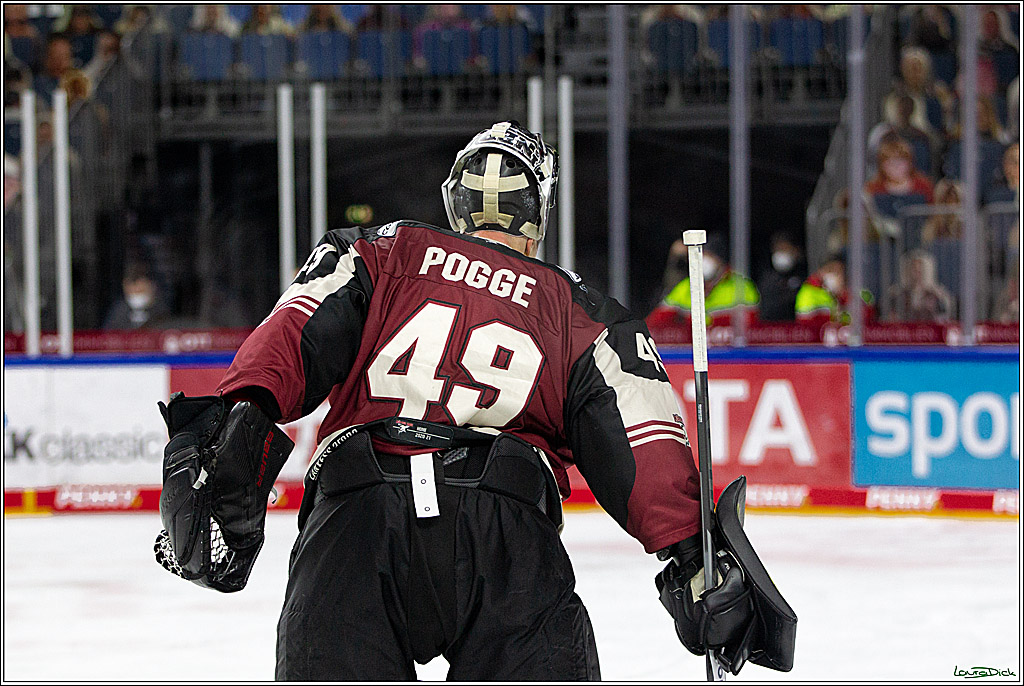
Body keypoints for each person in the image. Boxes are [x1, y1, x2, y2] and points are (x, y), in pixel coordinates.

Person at [154, 122, 782, 680]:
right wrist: (693, 556)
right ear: (539, 211)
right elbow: (642, 436)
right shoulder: (580, 309)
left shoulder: (379, 250)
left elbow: (295, 329)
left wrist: (241, 414)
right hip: (504, 526)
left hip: (357, 515)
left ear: (455, 203)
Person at [653, 231, 760, 327]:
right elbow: (657, 321)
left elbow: (752, 325)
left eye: (710, 256)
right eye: (703, 255)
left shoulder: (741, 287)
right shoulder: (685, 286)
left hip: (729, 343)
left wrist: (716, 325)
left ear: (721, 261)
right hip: (693, 343)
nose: (705, 260)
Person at [795, 254, 875, 326]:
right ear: (820, 273)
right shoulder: (808, 293)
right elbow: (806, 323)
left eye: (838, 271)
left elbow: (868, 320)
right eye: (830, 270)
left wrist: (844, 296)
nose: (835, 274)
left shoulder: (861, 293)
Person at [883, 249, 955, 322]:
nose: (917, 274)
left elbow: (944, 317)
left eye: (920, 270)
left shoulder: (938, 295)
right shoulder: (897, 294)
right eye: (913, 270)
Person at [103, 262, 171, 330]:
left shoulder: (162, 313)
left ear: (152, 287)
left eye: (141, 291)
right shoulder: (119, 313)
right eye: (132, 293)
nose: (136, 297)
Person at [756, 232, 806, 321]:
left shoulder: (805, 275)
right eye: (778, 250)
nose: (780, 254)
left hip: (798, 326)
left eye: (784, 249)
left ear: (796, 250)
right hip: (773, 326)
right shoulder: (768, 278)